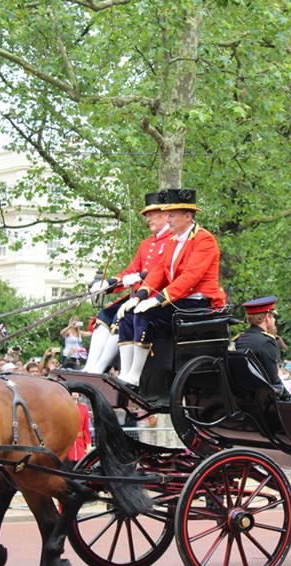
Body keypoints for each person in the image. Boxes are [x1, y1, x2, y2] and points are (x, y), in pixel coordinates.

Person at [116, 188, 226, 387]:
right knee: (127, 315)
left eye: (172, 216)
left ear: (187, 216)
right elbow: (158, 271)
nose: (168, 220)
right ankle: (125, 372)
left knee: (144, 316)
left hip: (197, 303)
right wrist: (139, 296)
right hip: (178, 300)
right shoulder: (174, 240)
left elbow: (190, 277)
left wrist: (157, 300)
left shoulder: (205, 240)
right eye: (167, 215)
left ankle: (135, 375)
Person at [83, 193, 173, 374]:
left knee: (120, 317)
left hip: (155, 297)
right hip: (135, 296)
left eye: (152, 214)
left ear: (165, 215)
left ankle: (99, 369)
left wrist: (139, 277)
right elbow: (130, 271)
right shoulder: (146, 244)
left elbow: (162, 272)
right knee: (104, 315)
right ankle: (90, 367)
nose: (148, 219)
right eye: (147, 215)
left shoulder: (172, 240)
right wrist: (108, 283)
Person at [233, 296, 284, 387]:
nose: (274, 320)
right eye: (273, 317)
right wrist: (289, 396)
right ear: (267, 317)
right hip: (264, 399)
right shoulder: (266, 342)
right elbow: (274, 382)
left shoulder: (239, 340)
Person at [66, 392, 92, 464]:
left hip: (80, 444)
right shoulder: (64, 408)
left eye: (77, 392)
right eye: (73, 391)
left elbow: (85, 429)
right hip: (68, 444)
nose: (75, 393)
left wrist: (88, 444)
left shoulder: (84, 409)